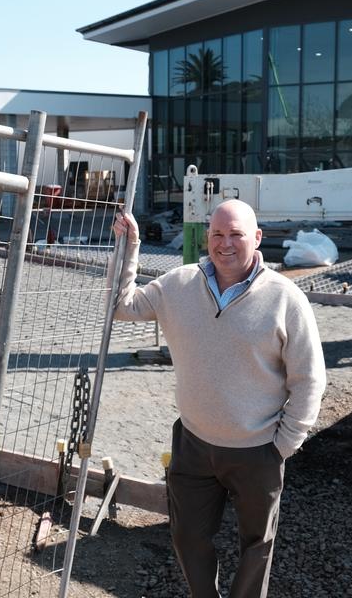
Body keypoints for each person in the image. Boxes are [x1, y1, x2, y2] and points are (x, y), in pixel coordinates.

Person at [111, 199, 326, 598]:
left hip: (257, 450)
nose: (225, 244)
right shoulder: (178, 285)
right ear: (207, 237)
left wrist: (283, 445)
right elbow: (120, 307)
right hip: (193, 444)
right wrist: (129, 247)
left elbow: (309, 378)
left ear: (257, 238)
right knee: (187, 536)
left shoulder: (285, 299)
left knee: (256, 547)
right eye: (217, 235)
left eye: (236, 235)